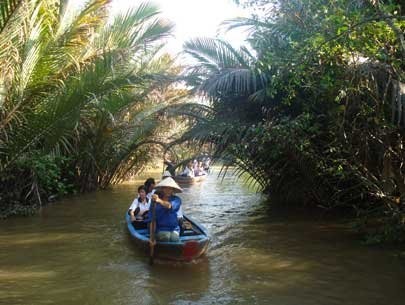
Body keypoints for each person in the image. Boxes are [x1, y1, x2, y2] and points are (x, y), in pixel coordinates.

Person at [148, 177, 183, 242]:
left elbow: (169, 206)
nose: (168, 190)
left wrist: (159, 200)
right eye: (166, 188)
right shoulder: (154, 202)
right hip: (160, 229)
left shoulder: (177, 200)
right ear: (162, 189)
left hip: (174, 229)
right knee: (166, 236)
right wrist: (152, 237)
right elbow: (152, 220)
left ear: (173, 190)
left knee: (174, 238)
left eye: (170, 189)